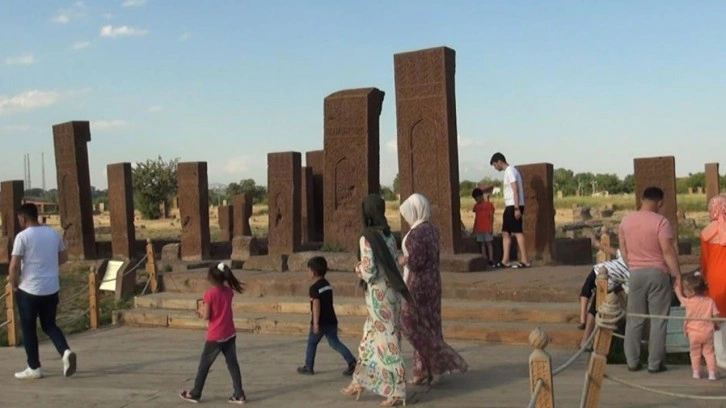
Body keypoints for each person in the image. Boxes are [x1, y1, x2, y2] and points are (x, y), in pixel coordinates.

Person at [341, 194, 409, 407]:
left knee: (388, 340)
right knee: (369, 338)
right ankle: (360, 380)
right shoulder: (388, 234)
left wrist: (357, 268)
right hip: (392, 293)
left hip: (378, 294)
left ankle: (398, 390)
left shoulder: (367, 237)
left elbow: (369, 270)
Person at [399, 193, 468, 386]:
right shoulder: (432, 230)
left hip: (418, 284)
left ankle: (439, 361)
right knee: (430, 325)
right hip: (433, 282)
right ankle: (427, 369)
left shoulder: (416, 233)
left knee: (415, 326)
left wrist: (403, 260)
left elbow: (417, 261)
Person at [9, 203, 77, 380]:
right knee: (49, 324)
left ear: (23, 218)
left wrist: (14, 283)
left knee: (29, 328)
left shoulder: (22, 237)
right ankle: (65, 352)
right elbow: (63, 257)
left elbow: (15, 265)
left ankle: (34, 367)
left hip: (29, 289)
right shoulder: (52, 233)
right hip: (51, 288)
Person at [619, 186, 682, 373]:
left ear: (641, 198)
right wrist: (677, 275)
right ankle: (655, 363)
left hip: (636, 273)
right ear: (660, 202)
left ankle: (632, 361)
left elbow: (623, 249)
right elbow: (668, 252)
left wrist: (632, 264)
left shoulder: (626, 221)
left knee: (635, 319)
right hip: (658, 272)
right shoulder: (661, 222)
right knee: (658, 319)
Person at [180, 263, 247, 404]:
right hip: (229, 332)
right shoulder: (229, 292)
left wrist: (201, 311)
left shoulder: (209, 294)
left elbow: (207, 316)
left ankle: (195, 393)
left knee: (204, 365)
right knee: (233, 364)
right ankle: (239, 393)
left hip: (216, 335)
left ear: (211, 278)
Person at [297, 256, 357, 376]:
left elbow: (316, 305)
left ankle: (308, 366)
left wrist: (315, 323)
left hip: (321, 321)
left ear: (313, 272)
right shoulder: (327, 285)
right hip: (331, 320)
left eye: (308, 270)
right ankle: (352, 362)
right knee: (335, 343)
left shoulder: (314, 288)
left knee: (311, 343)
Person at [577, 230, 629, 350]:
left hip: (604, 279)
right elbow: (613, 251)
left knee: (591, 302)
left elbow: (625, 287)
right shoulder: (629, 258)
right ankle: (583, 324)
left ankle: (584, 333)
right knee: (591, 302)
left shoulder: (630, 263)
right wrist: (596, 243)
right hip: (602, 276)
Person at [673, 272, 719, 380]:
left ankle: (696, 372)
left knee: (695, 353)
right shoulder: (710, 301)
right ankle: (712, 373)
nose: (684, 291)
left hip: (693, 333)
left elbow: (680, 297)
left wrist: (676, 288)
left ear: (692, 291)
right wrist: (716, 325)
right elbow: (716, 315)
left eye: (685, 289)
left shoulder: (689, 302)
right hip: (707, 332)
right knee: (709, 353)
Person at [489, 152, 529, 268]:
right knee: (506, 232)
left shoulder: (510, 171)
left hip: (514, 205)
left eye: (495, 165)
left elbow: (515, 188)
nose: (495, 168)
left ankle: (525, 260)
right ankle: (505, 260)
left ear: (499, 162)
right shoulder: (511, 171)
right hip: (510, 205)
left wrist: (517, 208)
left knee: (517, 231)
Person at [700, 194, 726, 368]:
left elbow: (704, 261)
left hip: (716, 278)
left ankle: (721, 359)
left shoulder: (707, 232)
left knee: (718, 317)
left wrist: (704, 278)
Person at [472, 187, 495, 265]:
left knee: (489, 243)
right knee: (482, 244)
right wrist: (474, 229)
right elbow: (476, 218)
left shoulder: (488, 205)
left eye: (477, 198)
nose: (476, 200)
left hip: (487, 227)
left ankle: (491, 259)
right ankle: (484, 258)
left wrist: (491, 227)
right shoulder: (476, 206)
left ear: (481, 196)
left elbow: (491, 216)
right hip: (479, 227)